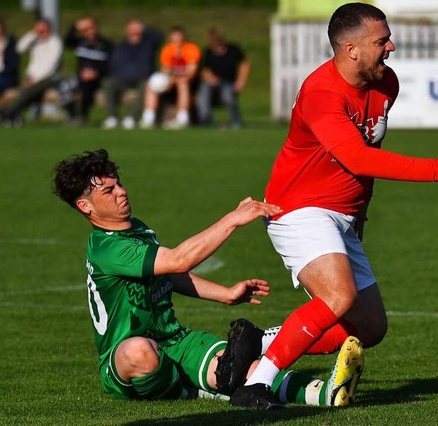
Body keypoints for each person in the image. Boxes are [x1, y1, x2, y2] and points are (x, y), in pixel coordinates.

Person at [230, 2, 438, 408]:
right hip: (298, 208)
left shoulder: (387, 84)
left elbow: (365, 160)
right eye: (381, 40)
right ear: (351, 49)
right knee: (339, 297)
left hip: (342, 215)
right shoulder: (321, 92)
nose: (392, 47)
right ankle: (254, 385)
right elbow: (357, 158)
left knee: (369, 327)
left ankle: (260, 341)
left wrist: (358, 217)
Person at [52, 149, 364, 408]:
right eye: (109, 190)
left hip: (174, 340)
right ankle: (188, 388)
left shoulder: (135, 228)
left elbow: (170, 274)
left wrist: (225, 294)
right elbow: (179, 259)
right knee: (140, 351)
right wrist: (232, 220)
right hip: (122, 359)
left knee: (243, 368)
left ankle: (328, 393)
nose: (122, 191)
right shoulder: (107, 247)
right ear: (86, 206)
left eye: (118, 184)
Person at [101, 19, 163, 130]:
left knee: (147, 86)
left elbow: (160, 36)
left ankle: (132, 117)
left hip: (142, 79)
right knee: (109, 83)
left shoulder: (148, 44)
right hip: (122, 79)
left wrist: (144, 28)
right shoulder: (121, 46)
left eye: (136, 29)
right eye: (131, 29)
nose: (134, 32)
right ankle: (113, 117)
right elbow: (112, 64)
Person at [1, 18, 62, 125]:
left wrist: (34, 79)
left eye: (43, 30)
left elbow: (51, 65)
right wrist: (32, 34)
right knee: (28, 93)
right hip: (32, 78)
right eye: (38, 30)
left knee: (27, 92)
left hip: (48, 78)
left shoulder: (55, 42)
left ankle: (9, 112)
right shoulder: (35, 41)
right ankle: (12, 115)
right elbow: (19, 48)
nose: (41, 33)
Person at [140, 26, 200, 129]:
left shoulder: (191, 49)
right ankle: (148, 118)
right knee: (151, 85)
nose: (177, 39)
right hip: (172, 79)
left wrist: (174, 79)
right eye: (175, 37)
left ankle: (182, 118)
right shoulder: (167, 50)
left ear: (183, 36)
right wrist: (169, 80)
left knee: (182, 83)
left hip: (189, 81)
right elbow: (166, 70)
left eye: (179, 36)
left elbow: (191, 72)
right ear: (171, 37)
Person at [63, 15, 113, 125]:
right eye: (86, 29)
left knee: (87, 88)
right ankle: (72, 115)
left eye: (92, 28)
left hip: (98, 77)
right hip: (80, 76)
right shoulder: (80, 42)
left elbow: (112, 64)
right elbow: (66, 41)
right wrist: (75, 27)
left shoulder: (106, 44)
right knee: (64, 86)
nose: (90, 31)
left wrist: (97, 73)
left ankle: (82, 116)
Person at [198, 27, 250, 129]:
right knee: (204, 89)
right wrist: (210, 77)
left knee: (228, 96)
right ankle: (205, 118)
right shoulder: (208, 52)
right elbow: (204, 70)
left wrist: (241, 81)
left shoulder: (233, 50)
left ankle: (236, 120)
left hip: (228, 82)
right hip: (213, 82)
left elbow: (245, 64)